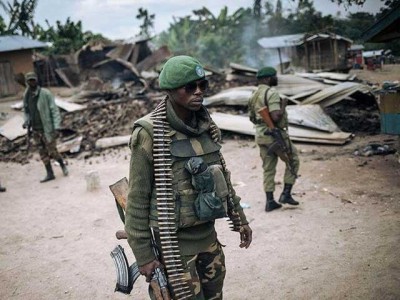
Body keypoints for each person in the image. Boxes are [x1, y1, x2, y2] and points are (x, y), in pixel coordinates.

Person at [124, 55, 252, 300]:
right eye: (190, 87)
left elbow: (221, 178)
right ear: (170, 91)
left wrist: (240, 219)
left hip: (209, 239)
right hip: (174, 248)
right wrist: (145, 255)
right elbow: (137, 200)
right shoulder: (149, 133)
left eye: (202, 85)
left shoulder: (205, 125)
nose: (198, 92)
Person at [247, 67, 300, 212]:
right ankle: (286, 194)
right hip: (274, 135)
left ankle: (270, 201)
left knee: (268, 167)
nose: (276, 79)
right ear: (268, 78)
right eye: (275, 76)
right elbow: (276, 116)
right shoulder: (271, 93)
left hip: (260, 135)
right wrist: (283, 106)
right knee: (293, 160)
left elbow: (252, 117)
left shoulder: (254, 94)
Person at [22, 72, 68, 183]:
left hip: (47, 129)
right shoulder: (27, 95)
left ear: (36, 80)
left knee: (53, 151)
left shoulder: (45, 94)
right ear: (27, 82)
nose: (32, 82)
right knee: (42, 153)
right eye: (29, 80)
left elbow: (54, 110)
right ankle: (50, 173)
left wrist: (56, 126)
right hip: (36, 130)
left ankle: (62, 164)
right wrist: (26, 121)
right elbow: (26, 110)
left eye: (33, 80)